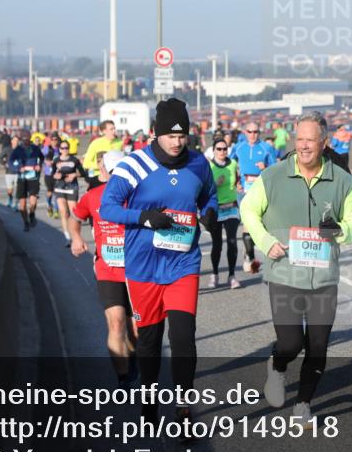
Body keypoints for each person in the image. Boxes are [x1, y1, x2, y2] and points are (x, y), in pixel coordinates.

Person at [100, 98, 217, 430]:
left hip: (183, 263)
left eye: (183, 136)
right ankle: (149, 399)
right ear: (156, 133)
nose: (178, 142)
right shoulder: (133, 166)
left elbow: (209, 195)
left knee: (183, 336)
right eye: (171, 136)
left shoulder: (198, 163)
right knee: (150, 341)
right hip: (144, 266)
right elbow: (108, 207)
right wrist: (144, 218)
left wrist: (209, 212)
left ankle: (182, 408)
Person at [240, 112, 352, 423]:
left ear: (323, 143)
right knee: (292, 342)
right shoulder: (274, 176)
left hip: (323, 276)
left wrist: (341, 231)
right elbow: (248, 209)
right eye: (300, 140)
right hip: (284, 271)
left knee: (319, 344)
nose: (304, 146)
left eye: (310, 140)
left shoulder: (341, 179)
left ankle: (304, 404)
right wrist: (266, 241)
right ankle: (278, 365)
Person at [69, 149, 138, 386]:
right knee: (116, 322)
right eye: (113, 171)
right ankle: (123, 378)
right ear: (104, 172)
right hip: (108, 269)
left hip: (138, 271)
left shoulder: (140, 195)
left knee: (137, 330)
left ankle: (134, 360)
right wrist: (76, 237)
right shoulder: (93, 196)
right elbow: (75, 218)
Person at [231, 121, 278, 274]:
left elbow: (275, 170)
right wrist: (235, 180)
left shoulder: (266, 148)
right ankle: (249, 257)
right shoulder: (238, 147)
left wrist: (265, 168)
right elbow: (229, 165)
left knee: (259, 224)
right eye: (250, 132)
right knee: (247, 222)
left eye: (256, 132)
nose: (253, 135)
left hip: (261, 189)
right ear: (245, 132)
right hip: (244, 190)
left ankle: (250, 254)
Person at [205, 137, 242, 289]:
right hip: (216, 209)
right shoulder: (209, 167)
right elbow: (204, 188)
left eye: (224, 149)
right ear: (213, 150)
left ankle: (232, 276)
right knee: (217, 244)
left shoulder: (233, 164)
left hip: (232, 207)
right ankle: (214, 274)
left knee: (232, 242)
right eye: (219, 149)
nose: (222, 151)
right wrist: (215, 185)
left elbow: (238, 179)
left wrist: (239, 184)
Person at [9, 130, 45, 231]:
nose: (25, 140)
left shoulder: (35, 148)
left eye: (27, 138)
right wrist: (18, 169)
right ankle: (25, 222)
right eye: (23, 138)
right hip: (22, 178)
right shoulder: (18, 150)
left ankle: (32, 214)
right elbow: (10, 162)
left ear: (30, 138)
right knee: (22, 205)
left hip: (33, 178)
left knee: (33, 201)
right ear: (21, 139)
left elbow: (42, 158)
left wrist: (39, 165)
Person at [53, 139, 84, 245]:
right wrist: (55, 175)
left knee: (74, 212)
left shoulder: (74, 160)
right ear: (59, 149)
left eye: (66, 148)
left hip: (72, 187)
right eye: (62, 148)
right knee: (63, 211)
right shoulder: (56, 160)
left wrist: (75, 175)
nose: (65, 150)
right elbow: (52, 173)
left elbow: (83, 173)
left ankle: (75, 235)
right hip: (59, 186)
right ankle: (67, 236)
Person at [83, 120, 122, 189]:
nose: (114, 131)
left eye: (114, 128)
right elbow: (86, 163)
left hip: (114, 178)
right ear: (104, 131)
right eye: (111, 129)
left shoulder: (120, 142)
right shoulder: (95, 143)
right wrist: (101, 166)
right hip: (98, 178)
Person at [4, 135, 21, 209]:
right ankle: (10, 198)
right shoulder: (7, 149)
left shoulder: (21, 150)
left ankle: (16, 204)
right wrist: (5, 164)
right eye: (14, 140)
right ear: (11, 141)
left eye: (17, 141)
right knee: (9, 190)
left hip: (18, 172)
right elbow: (0, 158)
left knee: (18, 189)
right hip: (9, 172)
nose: (16, 142)